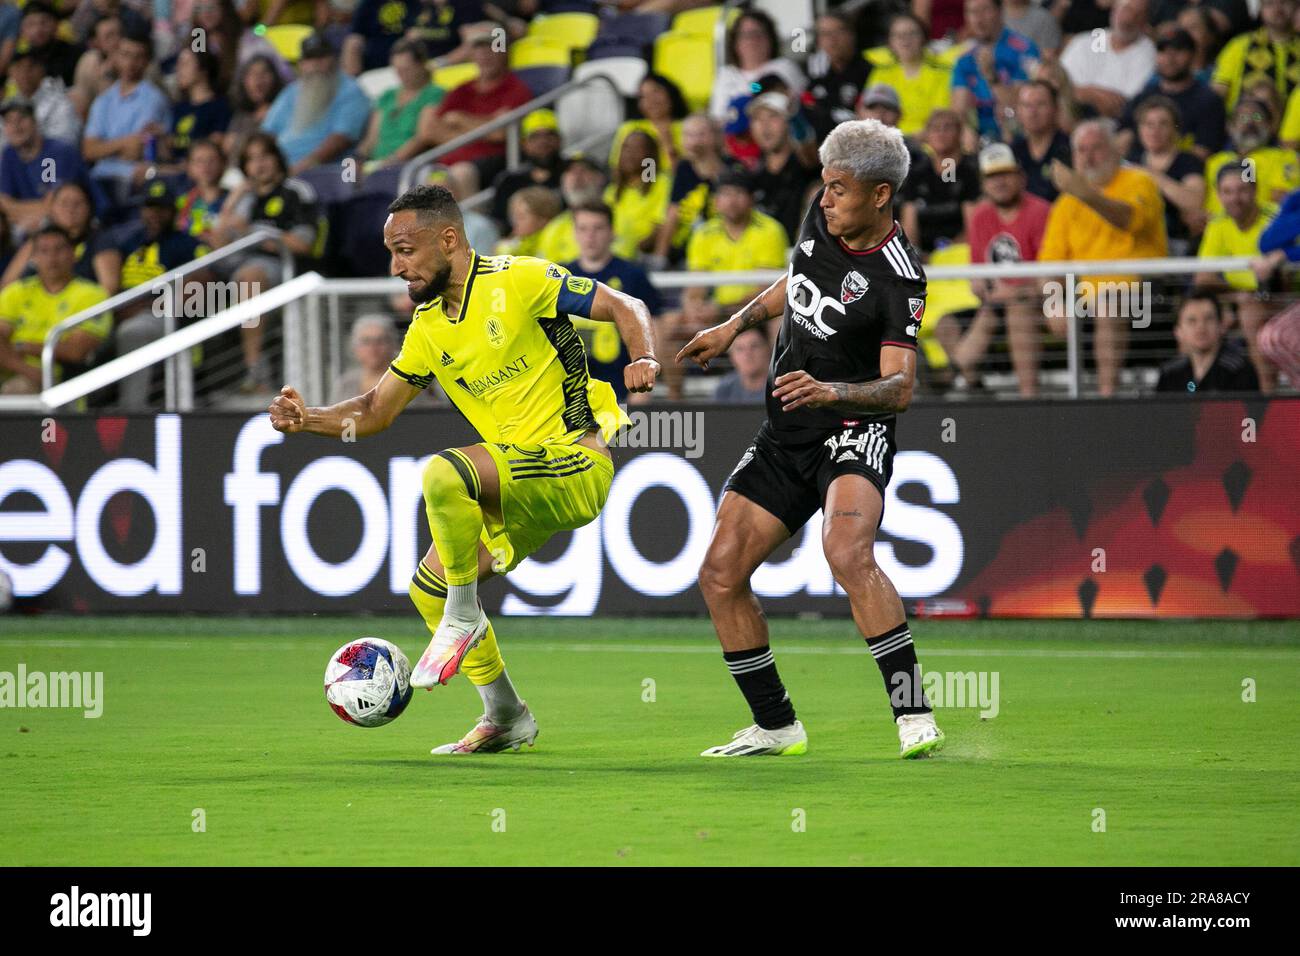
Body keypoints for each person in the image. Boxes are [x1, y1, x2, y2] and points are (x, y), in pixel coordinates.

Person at [268, 183, 662, 755]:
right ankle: (505, 714)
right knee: (426, 588)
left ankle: (463, 616)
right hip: (516, 484)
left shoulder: (519, 279)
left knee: (444, 474)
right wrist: (309, 419)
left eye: (405, 250)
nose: (395, 266)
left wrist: (644, 356)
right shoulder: (428, 329)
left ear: (448, 239)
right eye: (391, 252)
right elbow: (375, 410)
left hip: (575, 463)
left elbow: (627, 306)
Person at [675, 118, 943, 760]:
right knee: (719, 573)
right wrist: (732, 326)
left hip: (855, 431)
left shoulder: (899, 277)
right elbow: (793, 284)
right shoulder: (820, 223)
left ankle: (913, 713)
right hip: (786, 433)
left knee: (847, 553)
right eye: (824, 186)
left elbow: (899, 387)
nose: (825, 200)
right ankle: (776, 724)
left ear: (881, 196)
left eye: (839, 189)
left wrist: (833, 392)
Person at [1038, 120, 1168, 397]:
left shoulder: (1139, 181)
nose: (1088, 157)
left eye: (1096, 148)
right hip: (1085, 294)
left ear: (1114, 150)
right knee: (1022, 304)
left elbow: (1127, 219)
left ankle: (1105, 399)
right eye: (1081, 150)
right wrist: (1053, 302)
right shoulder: (1065, 204)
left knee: (1108, 303)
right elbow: (1049, 264)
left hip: (1143, 290)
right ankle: (1028, 400)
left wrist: (1086, 194)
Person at [207, 132, 325, 393]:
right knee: (192, 283)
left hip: (280, 267)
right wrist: (232, 200)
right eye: (251, 160)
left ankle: (255, 373)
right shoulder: (245, 198)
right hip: (234, 266)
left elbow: (302, 244)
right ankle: (197, 380)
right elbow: (217, 243)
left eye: (264, 157)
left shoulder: (295, 191)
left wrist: (250, 232)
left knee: (249, 279)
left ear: (277, 159)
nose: (259, 165)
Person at [666, 167, 787, 398]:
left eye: (738, 193)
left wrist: (721, 309)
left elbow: (767, 291)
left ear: (751, 199)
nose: (731, 201)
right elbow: (694, 289)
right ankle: (675, 398)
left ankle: (779, 390)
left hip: (759, 313)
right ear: (716, 201)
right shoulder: (703, 233)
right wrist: (695, 307)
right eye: (725, 194)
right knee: (669, 324)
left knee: (780, 323)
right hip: (717, 314)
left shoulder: (770, 230)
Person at [956, 142, 1051, 395]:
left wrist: (1012, 293)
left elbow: (1050, 277)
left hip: (1038, 303)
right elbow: (976, 281)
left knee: (1018, 311)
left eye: (1005, 174)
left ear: (1021, 177)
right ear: (984, 184)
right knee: (948, 329)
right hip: (996, 302)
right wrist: (997, 295)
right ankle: (977, 393)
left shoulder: (1041, 211)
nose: (999, 182)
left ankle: (1029, 399)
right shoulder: (980, 216)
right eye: (991, 177)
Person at [414, 24, 532, 195]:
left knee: (459, 174)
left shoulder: (515, 88)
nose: (485, 55)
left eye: (492, 48)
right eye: (479, 49)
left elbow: (501, 132)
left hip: (491, 161)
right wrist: (486, 126)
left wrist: (460, 120)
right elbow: (430, 131)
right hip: (448, 162)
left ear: (505, 52)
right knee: (419, 177)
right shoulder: (461, 89)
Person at [563, 198, 662, 404]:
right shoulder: (560, 276)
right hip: (567, 397)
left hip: (621, 391)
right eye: (583, 228)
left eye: (598, 228)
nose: (590, 236)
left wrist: (644, 383)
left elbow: (655, 329)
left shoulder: (633, 276)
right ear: (574, 233)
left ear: (611, 232)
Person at [0, 224, 109, 395]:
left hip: (60, 379)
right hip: (18, 369)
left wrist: (22, 346)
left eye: (59, 249)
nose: (52, 257)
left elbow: (76, 352)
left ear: (74, 254)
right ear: (34, 258)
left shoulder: (92, 295)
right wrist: (26, 368)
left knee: (17, 389)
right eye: (44, 251)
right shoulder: (16, 291)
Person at [1195, 166, 1278, 390]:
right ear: (1219, 195)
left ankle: (1266, 394)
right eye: (1227, 191)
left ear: (1254, 190)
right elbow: (1203, 278)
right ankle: (1199, 400)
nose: (1235, 198)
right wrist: (1238, 295)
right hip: (1240, 300)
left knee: (1251, 313)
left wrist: (1245, 298)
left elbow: (1284, 277)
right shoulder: (1218, 224)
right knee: (1194, 319)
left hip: (1284, 298)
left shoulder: (1275, 218)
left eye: (1242, 190)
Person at [81, 28, 171, 212]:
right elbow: (88, 150)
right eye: (125, 54)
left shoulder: (153, 98)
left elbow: (137, 149)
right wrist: (123, 143)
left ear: (146, 62)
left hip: (131, 178)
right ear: (116, 57)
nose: (130, 62)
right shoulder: (103, 100)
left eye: (138, 57)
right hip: (99, 177)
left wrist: (106, 147)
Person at [261, 32, 371, 175]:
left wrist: (300, 168)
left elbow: (341, 139)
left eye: (321, 58)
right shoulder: (291, 92)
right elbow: (267, 133)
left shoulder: (350, 90)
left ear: (333, 59)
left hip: (324, 171)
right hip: (280, 168)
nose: (315, 65)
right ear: (301, 64)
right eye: (310, 59)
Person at [1119, 26, 1227, 161]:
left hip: (1183, 174)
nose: (1169, 58)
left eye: (1178, 50)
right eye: (1163, 51)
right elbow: (1122, 137)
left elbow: (1203, 152)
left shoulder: (1208, 100)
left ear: (1193, 55)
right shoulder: (1145, 95)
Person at [1126, 96, 1206, 255]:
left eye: (1163, 124)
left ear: (1175, 129)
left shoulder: (1188, 161)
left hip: (1175, 242)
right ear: (1140, 129)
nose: (1154, 130)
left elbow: (1193, 201)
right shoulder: (1130, 160)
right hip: (1136, 238)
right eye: (1148, 124)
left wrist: (1150, 174)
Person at [950, 0, 1040, 142]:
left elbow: (1018, 106)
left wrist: (991, 76)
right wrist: (966, 130)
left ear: (1000, 11)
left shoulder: (1024, 49)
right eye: (972, 12)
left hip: (1019, 135)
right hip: (980, 139)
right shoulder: (965, 59)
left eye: (985, 10)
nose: (979, 19)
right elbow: (958, 110)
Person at [0, 97, 88, 235]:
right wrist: (24, 213)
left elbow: (54, 206)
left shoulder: (55, 153)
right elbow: (4, 202)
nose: (16, 126)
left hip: (79, 225)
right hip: (30, 222)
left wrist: (16, 211)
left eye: (21, 119)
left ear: (35, 122)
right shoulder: (9, 154)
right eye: (9, 121)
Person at [900, 109, 980, 255]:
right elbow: (909, 224)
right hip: (923, 255)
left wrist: (943, 255)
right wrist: (915, 254)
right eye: (935, 128)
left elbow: (973, 228)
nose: (941, 133)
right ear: (927, 135)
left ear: (959, 133)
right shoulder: (916, 174)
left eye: (947, 127)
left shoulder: (970, 171)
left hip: (959, 252)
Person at [1059, 0, 1156, 118]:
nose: (1129, 18)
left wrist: (1080, 93)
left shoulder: (1149, 52)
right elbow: (1058, 84)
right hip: (1068, 116)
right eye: (1126, 9)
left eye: (1138, 14)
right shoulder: (1087, 41)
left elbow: (1123, 106)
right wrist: (1092, 93)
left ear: (1145, 21)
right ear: (1114, 10)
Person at [356, 39, 444, 168]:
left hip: (409, 166)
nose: (401, 75)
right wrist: (357, 160)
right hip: (376, 164)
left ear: (421, 65)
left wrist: (389, 163)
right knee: (345, 177)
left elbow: (422, 137)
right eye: (397, 69)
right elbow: (371, 139)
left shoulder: (434, 93)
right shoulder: (388, 96)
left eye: (406, 69)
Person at [652, 113, 726, 266]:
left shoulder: (731, 167)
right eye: (689, 135)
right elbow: (672, 214)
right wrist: (659, 257)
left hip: (723, 249)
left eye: (701, 134)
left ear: (715, 136)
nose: (694, 141)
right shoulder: (683, 169)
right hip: (686, 251)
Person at [708, 9, 805, 124]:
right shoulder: (726, 74)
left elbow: (797, 107)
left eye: (758, 34)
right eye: (745, 35)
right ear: (734, 42)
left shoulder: (784, 67)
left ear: (770, 39)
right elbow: (718, 116)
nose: (751, 41)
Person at [747, 92, 820, 242]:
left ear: (788, 122)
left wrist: (796, 117)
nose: (764, 126)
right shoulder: (753, 170)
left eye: (773, 116)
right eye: (757, 119)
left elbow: (808, 147)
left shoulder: (802, 162)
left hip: (799, 252)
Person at [1155, 291, 1259, 392]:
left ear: (1221, 325)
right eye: (1192, 321)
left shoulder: (1239, 370)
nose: (1201, 327)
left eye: (1208, 319)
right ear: (1178, 331)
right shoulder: (1169, 373)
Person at [868, 11, 953, 136]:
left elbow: (941, 118)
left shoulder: (942, 73)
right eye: (898, 35)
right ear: (890, 42)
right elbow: (871, 116)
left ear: (923, 37)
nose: (905, 40)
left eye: (912, 34)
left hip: (931, 142)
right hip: (889, 142)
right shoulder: (881, 73)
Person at [1211, 0, 1300, 111]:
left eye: (1284, 2)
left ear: (1296, 6)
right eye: (1269, 4)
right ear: (1260, 9)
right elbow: (1218, 92)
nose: (1277, 9)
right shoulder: (1239, 45)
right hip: (1247, 124)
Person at [802, 10, 872, 140]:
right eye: (825, 34)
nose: (832, 40)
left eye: (838, 31)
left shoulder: (868, 72)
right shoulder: (814, 74)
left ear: (852, 35)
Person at [488, 108, 562, 230]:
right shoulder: (509, 181)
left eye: (549, 135)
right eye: (535, 137)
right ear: (524, 143)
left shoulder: (574, 173)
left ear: (559, 140)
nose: (543, 142)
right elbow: (499, 222)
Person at [1009, 79, 1072, 202]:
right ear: (1019, 111)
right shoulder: (1012, 151)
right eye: (1027, 105)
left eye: (1040, 104)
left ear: (1055, 108)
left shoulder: (1071, 149)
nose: (1033, 112)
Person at [712, 327, 769, 403]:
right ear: (731, 356)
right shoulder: (724, 390)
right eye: (740, 349)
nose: (748, 354)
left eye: (754, 346)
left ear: (768, 349)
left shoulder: (782, 387)